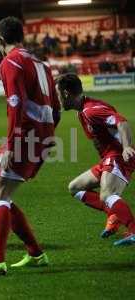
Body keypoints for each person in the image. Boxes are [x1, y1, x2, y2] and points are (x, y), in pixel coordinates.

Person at [0, 16, 61, 277]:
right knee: (0, 193)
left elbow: (16, 107)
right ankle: (36, 254)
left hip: (26, 135)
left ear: (0, 40)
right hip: (41, 134)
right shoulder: (42, 63)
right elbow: (57, 107)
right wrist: (48, 135)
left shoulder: (11, 61)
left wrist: (12, 145)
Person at [56, 73, 135, 246]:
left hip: (118, 156)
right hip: (108, 158)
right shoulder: (82, 112)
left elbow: (121, 122)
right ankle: (114, 214)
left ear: (66, 93)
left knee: (107, 194)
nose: (57, 99)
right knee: (75, 188)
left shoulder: (91, 110)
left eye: (58, 94)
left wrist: (127, 147)